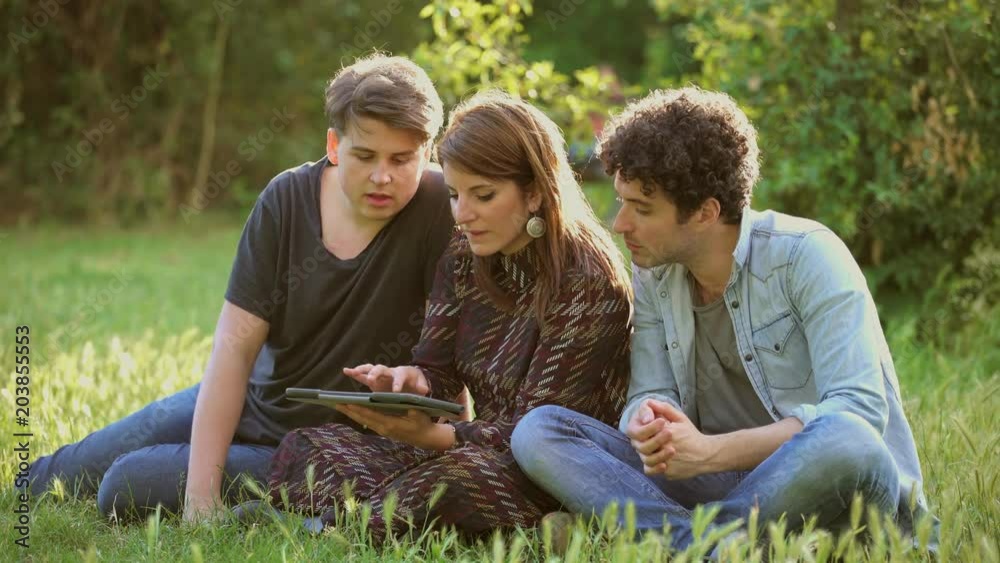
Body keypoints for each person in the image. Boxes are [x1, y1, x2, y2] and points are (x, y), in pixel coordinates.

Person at [25, 54, 455, 522]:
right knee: (64, 473)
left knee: (128, 483)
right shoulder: (287, 199)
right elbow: (234, 349)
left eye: (402, 159)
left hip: (323, 452)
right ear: (334, 145)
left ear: (428, 153)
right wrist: (200, 501)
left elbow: (455, 360)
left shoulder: (442, 210)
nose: (382, 176)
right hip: (255, 400)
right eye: (365, 156)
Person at [512, 87, 936, 551]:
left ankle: (677, 545)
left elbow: (859, 415)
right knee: (539, 430)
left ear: (705, 212)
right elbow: (651, 390)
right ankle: (715, 548)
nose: (620, 225)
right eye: (622, 201)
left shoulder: (807, 255)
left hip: (843, 501)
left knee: (846, 435)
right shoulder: (655, 269)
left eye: (642, 208)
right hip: (731, 491)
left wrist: (709, 452)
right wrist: (647, 422)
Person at [265, 91, 633, 541]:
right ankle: (388, 523)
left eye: (483, 195)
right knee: (307, 447)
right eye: (456, 195)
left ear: (535, 191)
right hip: (470, 447)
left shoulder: (587, 280)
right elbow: (436, 368)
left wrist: (433, 438)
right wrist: (407, 383)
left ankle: (337, 525)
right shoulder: (465, 252)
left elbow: (536, 434)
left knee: (450, 483)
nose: (463, 214)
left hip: (546, 472)